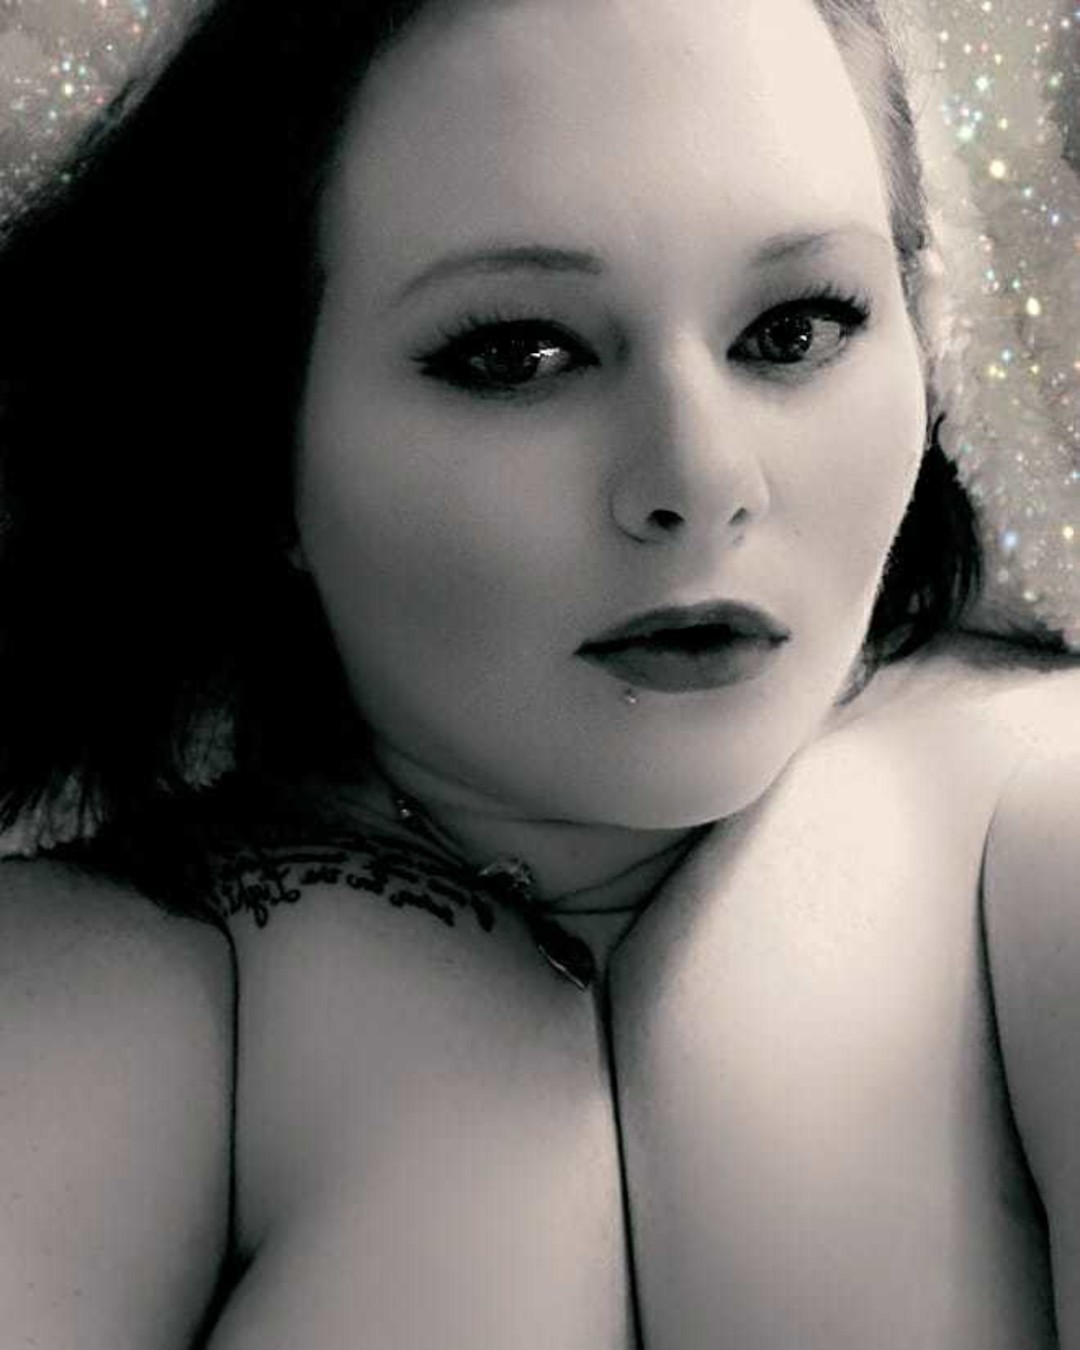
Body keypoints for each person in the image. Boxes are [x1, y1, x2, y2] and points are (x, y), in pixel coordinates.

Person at [1, 0, 1079, 1345]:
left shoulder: (1045, 827)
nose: (700, 479)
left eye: (797, 328)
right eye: (517, 354)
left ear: (923, 335)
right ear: (256, 436)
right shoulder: (110, 982)